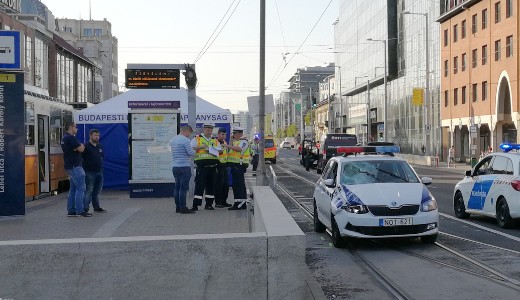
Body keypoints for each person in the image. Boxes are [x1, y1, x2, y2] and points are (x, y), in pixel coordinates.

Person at [61, 121, 91, 217]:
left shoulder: (64, 138)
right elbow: (81, 149)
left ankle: (71, 210)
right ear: (71, 127)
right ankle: (80, 210)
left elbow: (75, 149)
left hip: (69, 166)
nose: (77, 129)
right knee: (81, 188)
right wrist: (81, 146)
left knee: (73, 189)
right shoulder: (71, 138)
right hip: (75, 166)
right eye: (76, 127)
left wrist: (77, 148)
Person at [191, 123, 219, 211]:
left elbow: (220, 150)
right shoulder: (197, 138)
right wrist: (201, 147)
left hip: (213, 166)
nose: (209, 131)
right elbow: (191, 147)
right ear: (203, 129)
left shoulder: (215, 140)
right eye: (207, 129)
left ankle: (209, 204)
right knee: (199, 185)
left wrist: (215, 150)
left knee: (211, 186)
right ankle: (195, 205)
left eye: (211, 130)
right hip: (202, 167)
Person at [170, 125, 196, 214]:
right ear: (187, 131)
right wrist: (195, 152)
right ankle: (183, 208)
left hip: (175, 166)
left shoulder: (173, 139)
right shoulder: (185, 140)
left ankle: (177, 207)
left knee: (177, 187)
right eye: (190, 133)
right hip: (184, 166)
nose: (189, 135)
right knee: (183, 188)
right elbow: (190, 152)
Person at [82, 129, 107, 213]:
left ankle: (96, 207)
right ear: (90, 136)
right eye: (95, 135)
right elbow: (81, 159)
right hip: (89, 172)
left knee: (97, 191)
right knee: (88, 191)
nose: (97, 137)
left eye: (98, 135)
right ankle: (85, 208)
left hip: (99, 171)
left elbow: (102, 157)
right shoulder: (85, 146)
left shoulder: (100, 146)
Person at [227, 127, 251, 210]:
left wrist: (227, 145)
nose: (233, 135)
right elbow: (231, 148)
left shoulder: (243, 141)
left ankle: (238, 204)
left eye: (234, 134)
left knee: (238, 186)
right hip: (235, 166)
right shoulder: (236, 142)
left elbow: (239, 149)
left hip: (239, 166)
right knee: (238, 185)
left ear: (239, 134)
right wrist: (230, 141)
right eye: (233, 134)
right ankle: (241, 203)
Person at [214, 127, 232, 208]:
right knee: (219, 184)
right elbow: (217, 152)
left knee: (226, 185)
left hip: (224, 165)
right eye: (222, 134)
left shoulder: (224, 142)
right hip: (218, 165)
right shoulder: (215, 142)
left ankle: (224, 201)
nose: (224, 136)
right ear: (218, 134)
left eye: (225, 134)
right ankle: (218, 202)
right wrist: (225, 147)